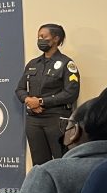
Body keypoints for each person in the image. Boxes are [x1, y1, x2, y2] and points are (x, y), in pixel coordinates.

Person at [15, 23, 80, 165]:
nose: (40, 40)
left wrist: (41, 102)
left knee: (62, 162)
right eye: (39, 37)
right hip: (34, 120)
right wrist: (28, 100)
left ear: (56, 39)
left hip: (56, 120)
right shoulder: (33, 63)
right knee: (39, 165)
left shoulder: (66, 64)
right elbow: (19, 89)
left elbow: (71, 93)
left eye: (44, 37)